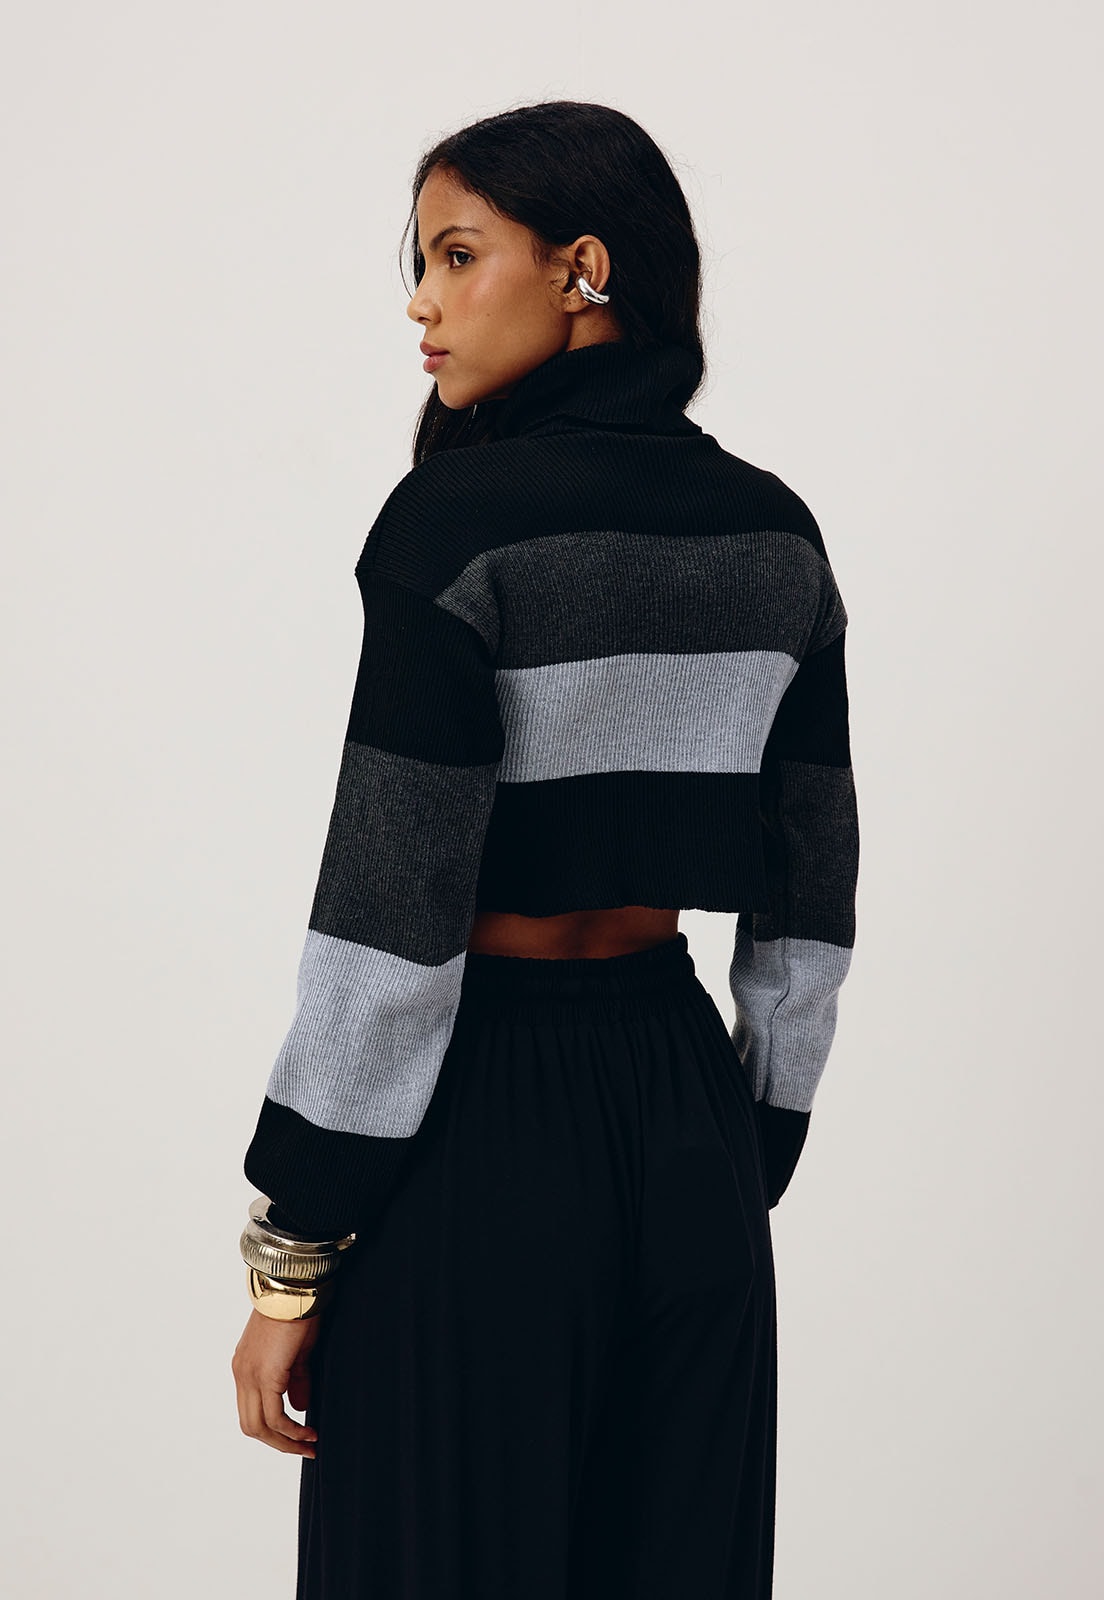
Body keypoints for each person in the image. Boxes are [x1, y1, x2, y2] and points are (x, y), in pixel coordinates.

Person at [231, 99, 859, 1599]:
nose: (422, 302)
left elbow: (392, 922)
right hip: (685, 1120)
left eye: (458, 256)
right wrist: (745, 1145)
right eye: (421, 262)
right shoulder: (774, 535)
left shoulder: (455, 527)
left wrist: (294, 1247)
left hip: (479, 1130)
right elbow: (811, 905)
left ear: (584, 270)